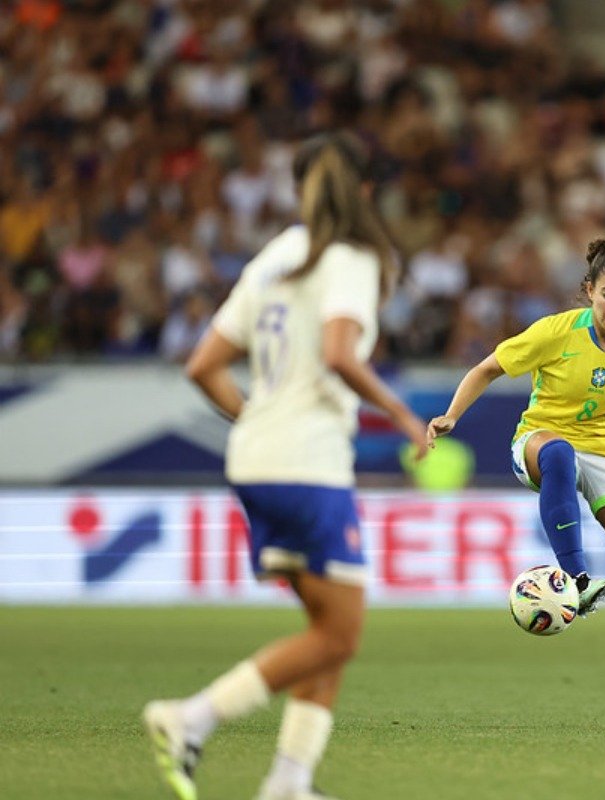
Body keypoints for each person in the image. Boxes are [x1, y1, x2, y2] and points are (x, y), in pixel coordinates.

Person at [143, 132, 428, 800]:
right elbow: (339, 351)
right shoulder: (352, 256)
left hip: (257, 457)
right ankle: (190, 718)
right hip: (307, 463)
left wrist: (258, 422)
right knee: (342, 634)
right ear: (365, 190)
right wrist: (401, 413)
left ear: (301, 189)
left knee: (328, 632)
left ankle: (289, 782)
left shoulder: (274, 256)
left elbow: (202, 365)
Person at [427, 235, 605, 725]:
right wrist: (452, 415)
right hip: (541, 440)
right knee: (559, 453)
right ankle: (576, 579)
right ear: (589, 290)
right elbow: (487, 368)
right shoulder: (555, 332)